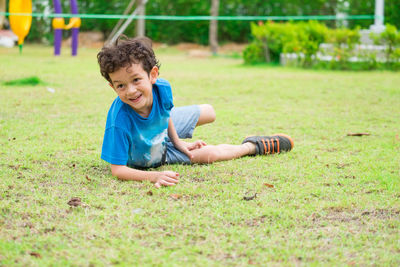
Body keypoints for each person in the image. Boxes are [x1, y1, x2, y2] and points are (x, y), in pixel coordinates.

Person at [97, 36, 294, 188]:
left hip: (161, 132)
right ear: (112, 87)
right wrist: (154, 176)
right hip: (154, 153)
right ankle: (254, 146)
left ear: (153, 75)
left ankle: (177, 138)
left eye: (136, 80)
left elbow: (166, 114)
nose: (130, 90)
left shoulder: (162, 88)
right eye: (121, 85)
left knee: (209, 112)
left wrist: (179, 142)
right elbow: (118, 170)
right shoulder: (119, 121)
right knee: (210, 154)